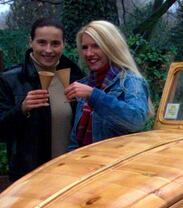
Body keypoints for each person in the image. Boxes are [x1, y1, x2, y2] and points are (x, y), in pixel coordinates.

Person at [0, 17, 84, 181]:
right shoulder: (10, 80)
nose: (48, 50)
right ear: (30, 42)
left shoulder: (75, 77)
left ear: (63, 44)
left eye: (55, 44)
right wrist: (21, 109)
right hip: (30, 177)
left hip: (72, 175)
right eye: (42, 42)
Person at [65, 20, 153, 150]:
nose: (89, 53)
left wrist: (94, 95)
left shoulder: (130, 81)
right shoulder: (85, 84)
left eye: (96, 46)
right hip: (83, 165)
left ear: (111, 46)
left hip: (113, 166)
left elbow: (137, 121)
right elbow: (75, 138)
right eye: (85, 47)